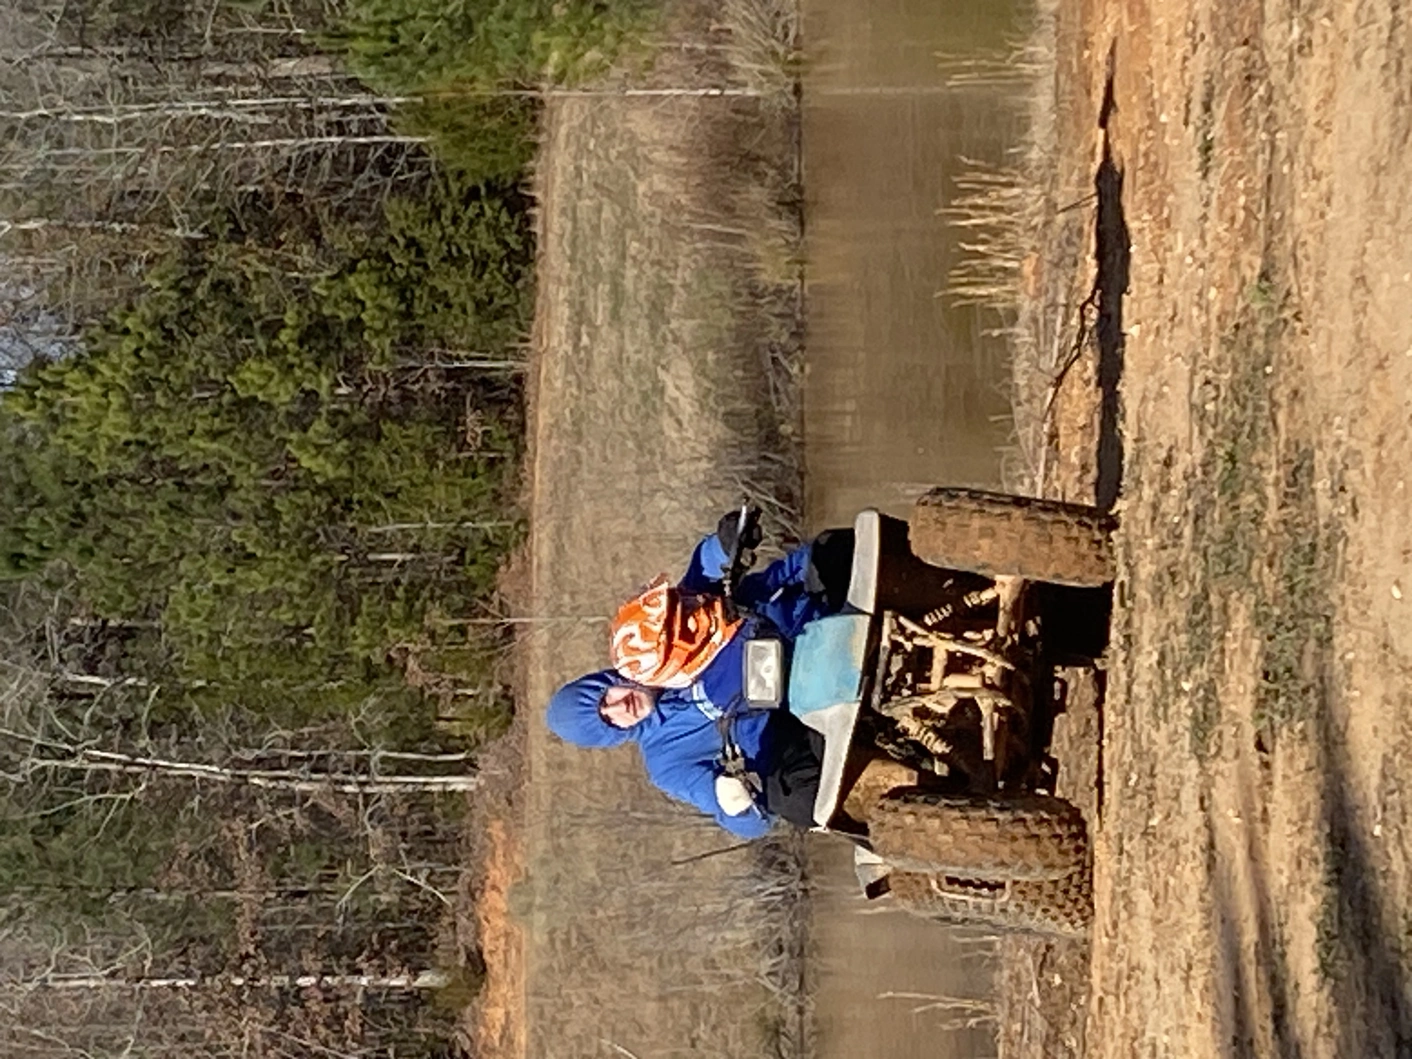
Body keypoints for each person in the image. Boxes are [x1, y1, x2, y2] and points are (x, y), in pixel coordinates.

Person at [545, 514, 851, 838]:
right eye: (609, 719)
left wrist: (725, 543)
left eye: (605, 699)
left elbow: (700, 574)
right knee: (801, 802)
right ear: (614, 734)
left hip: (804, 615)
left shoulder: (653, 639)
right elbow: (735, 816)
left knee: (833, 548)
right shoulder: (666, 762)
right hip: (790, 723)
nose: (620, 707)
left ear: (610, 681)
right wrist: (734, 802)